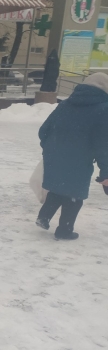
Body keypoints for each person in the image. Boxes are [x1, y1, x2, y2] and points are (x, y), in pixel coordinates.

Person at [36, 72, 108, 240]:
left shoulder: (66, 104)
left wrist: (49, 149)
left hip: (56, 154)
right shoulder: (103, 109)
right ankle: (64, 230)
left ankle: (44, 217)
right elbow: (103, 144)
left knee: (58, 188)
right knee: (74, 195)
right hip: (80, 159)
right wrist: (106, 171)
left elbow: (43, 131)